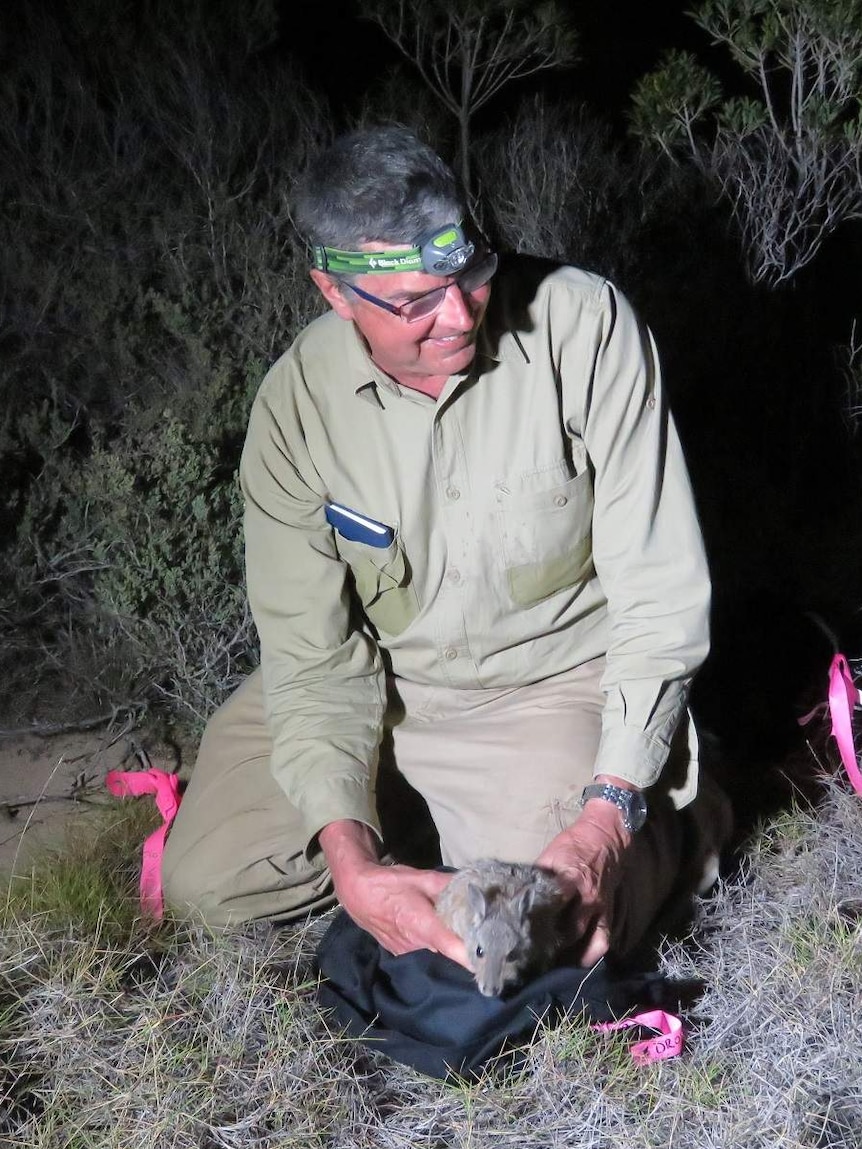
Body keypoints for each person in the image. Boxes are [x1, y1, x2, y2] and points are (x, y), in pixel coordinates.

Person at [162, 125, 730, 974]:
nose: (461, 312)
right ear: (335, 290)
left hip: (547, 678)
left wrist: (608, 810)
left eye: (470, 273)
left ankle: (681, 804)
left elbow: (659, 590)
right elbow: (313, 659)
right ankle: (418, 825)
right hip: (384, 682)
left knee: (552, 919)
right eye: (417, 300)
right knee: (212, 880)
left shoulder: (584, 325)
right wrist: (352, 862)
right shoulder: (294, 409)